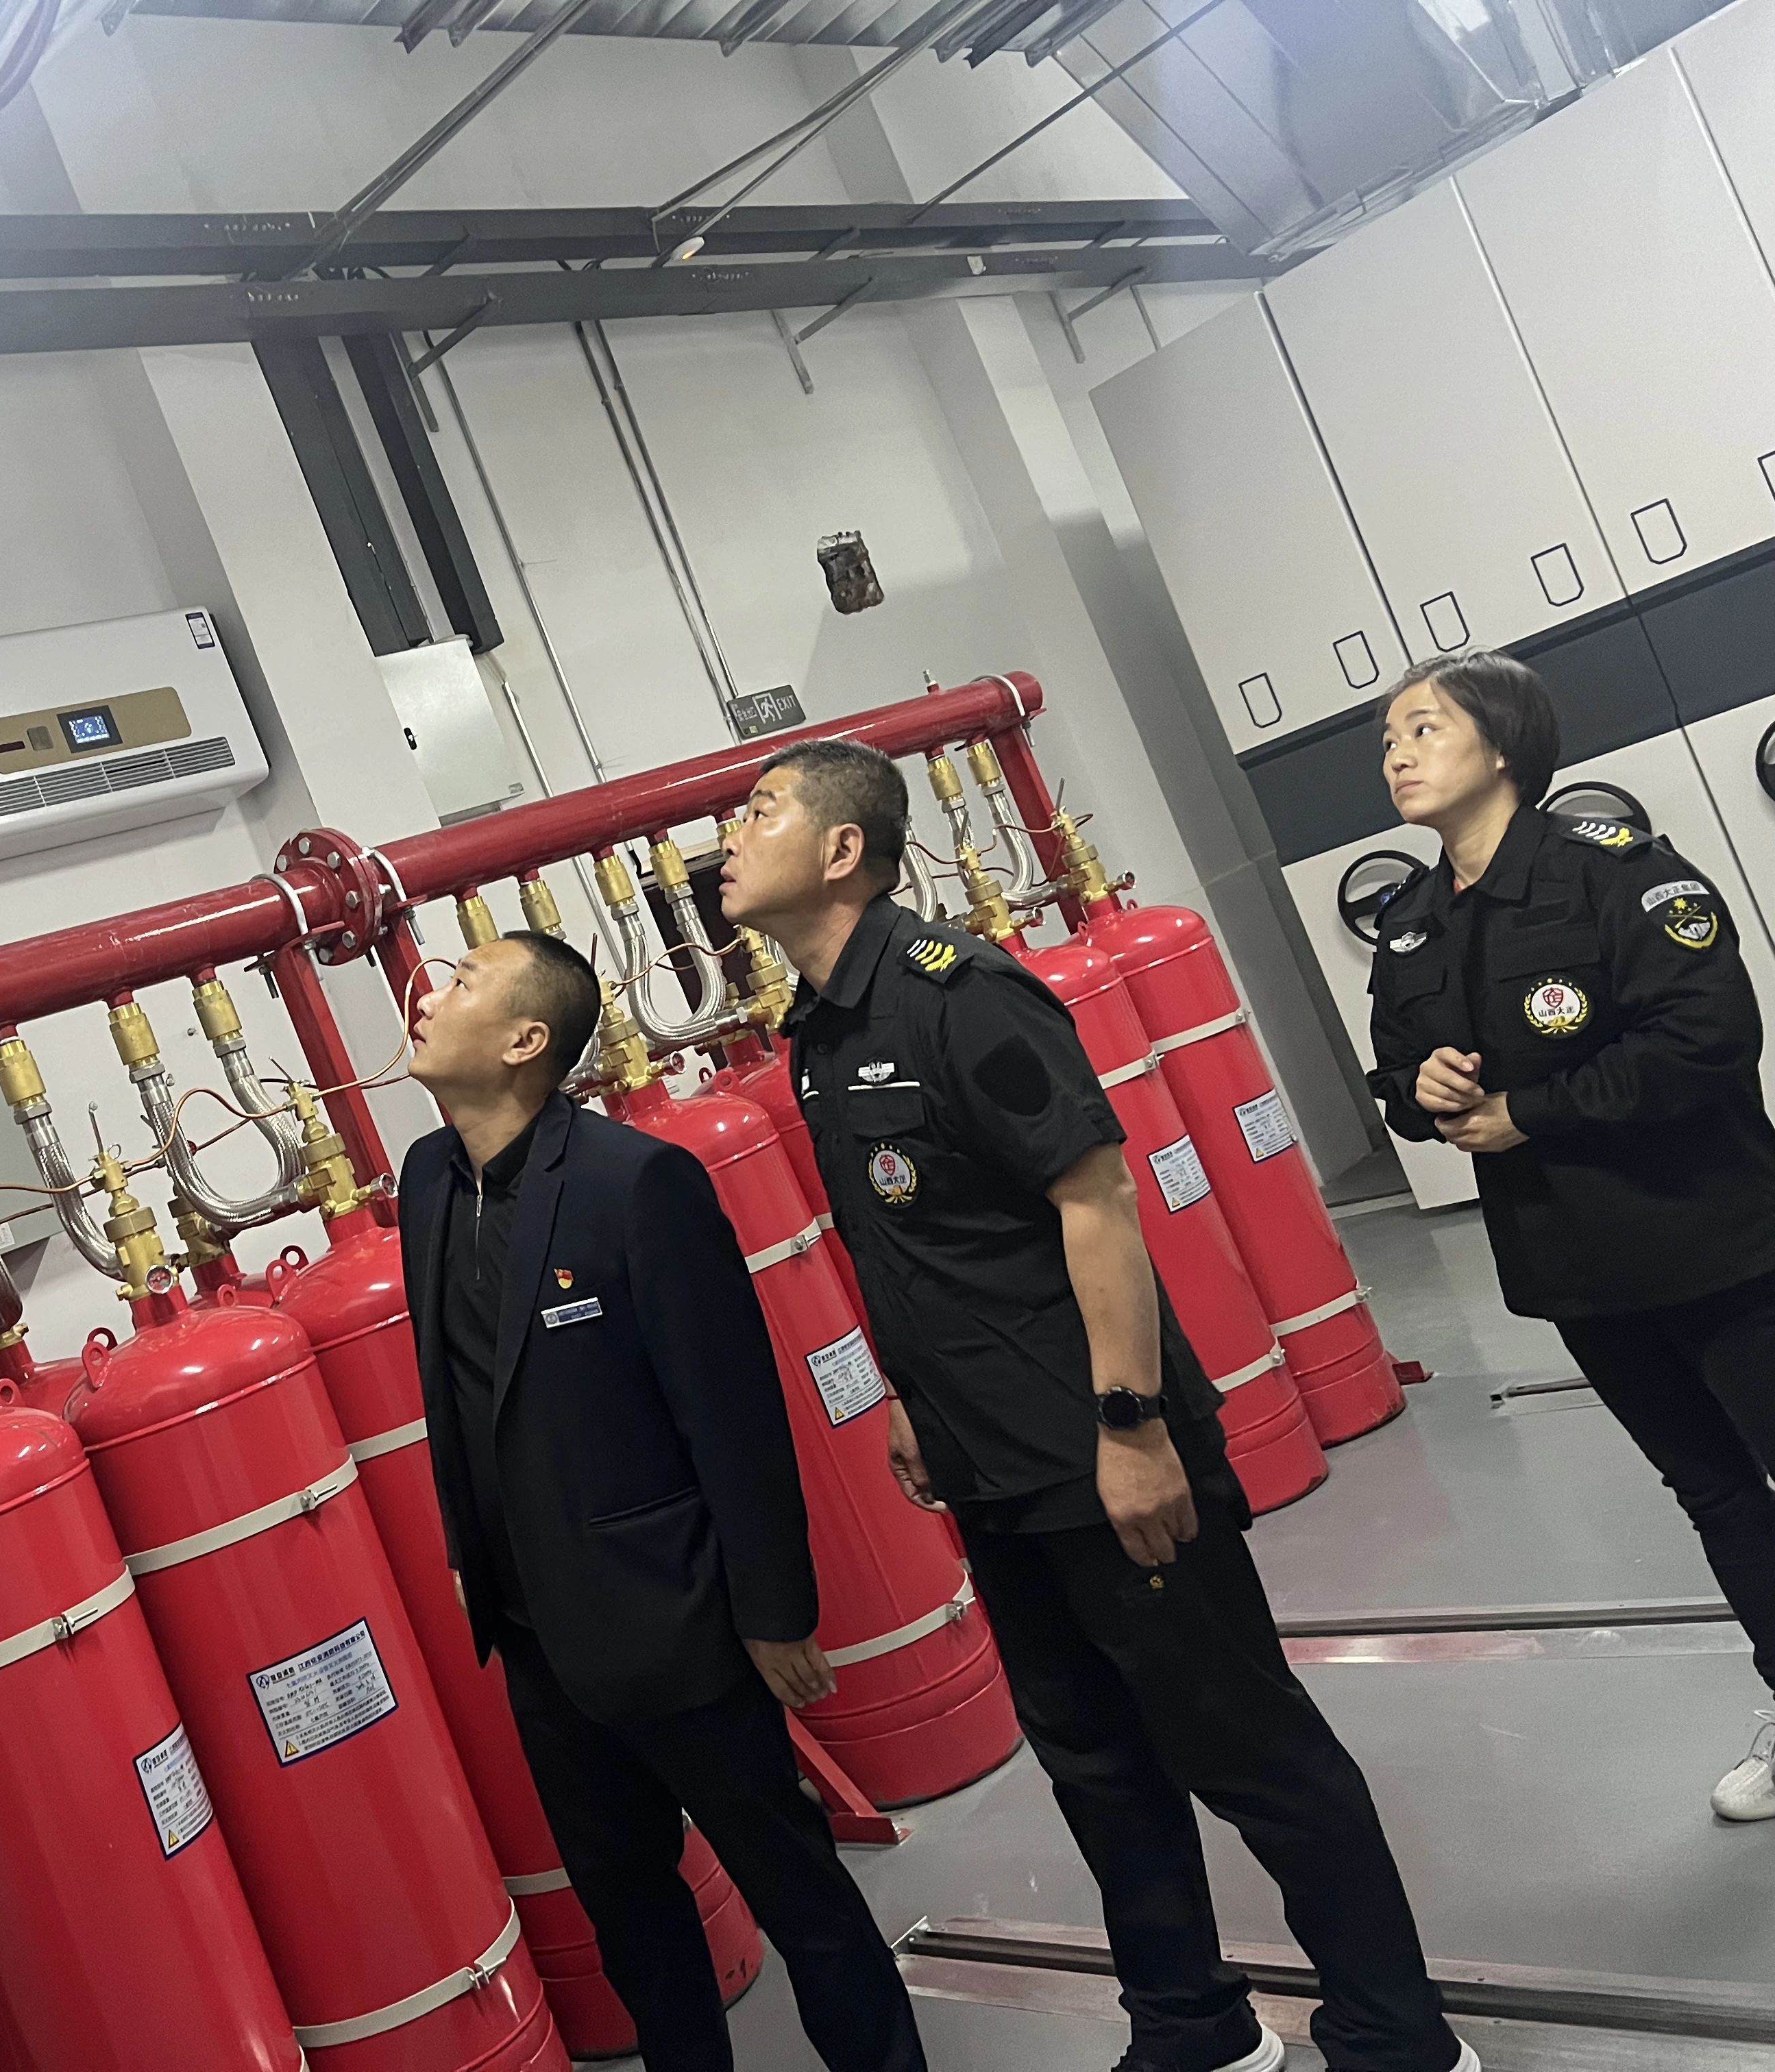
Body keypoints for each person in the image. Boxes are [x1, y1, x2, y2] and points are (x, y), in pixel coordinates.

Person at [720, 738, 1472, 2072]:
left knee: (1250, 1753)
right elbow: (921, 1243)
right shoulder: (820, 1036)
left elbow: (1099, 1201)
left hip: (1097, 1451)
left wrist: (1131, 1427)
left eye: (761, 811)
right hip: (987, 1463)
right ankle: (1191, 2026)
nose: (730, 838)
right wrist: (908, 1395)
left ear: (841, 850)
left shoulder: (962, 994)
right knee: (1096, 1766)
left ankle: (1400, 2037)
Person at [399, 930, 927, 2072]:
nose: (428, 997)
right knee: (632, 1919)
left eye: (463, 983)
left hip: (675, 1622)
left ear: (526, 1040)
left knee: (797, 1894)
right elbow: (458, 1390)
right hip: (536, 1636)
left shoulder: (634, 1184)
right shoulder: (429, 1180)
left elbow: (732, 1410)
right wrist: (469, 1547)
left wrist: (774, 1612)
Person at [1367, 650, 1775, 1823]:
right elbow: (1396, 1074)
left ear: (1503, 747)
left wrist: (1530, 1111)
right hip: (1582, 1273)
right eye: (1389, 738)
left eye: (1424, 728)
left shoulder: (1615, 872)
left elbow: (1707, 1038)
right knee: (1715, 1494)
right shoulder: (1411, 926)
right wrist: (1423, 1094)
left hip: (1722, 1247)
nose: (1397, 754)